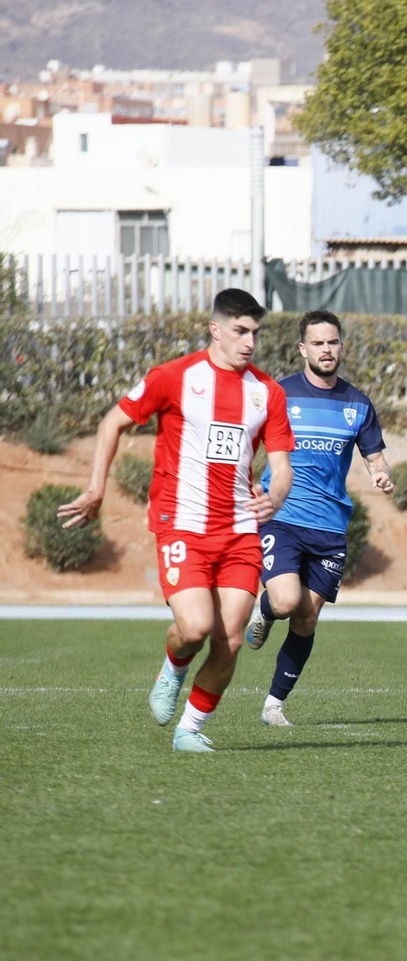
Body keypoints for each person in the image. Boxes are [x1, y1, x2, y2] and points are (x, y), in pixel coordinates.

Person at [57, 289, 294, 752]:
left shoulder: (268, 392)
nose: (249, 342)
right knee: (194, 628)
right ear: (216, 329)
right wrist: (96, 488)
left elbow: (281, 465)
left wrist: (277, 496)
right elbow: (113, 423)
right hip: (182, 523)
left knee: (230, 639)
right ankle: (174, 665)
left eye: (255, 334)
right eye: (240, 331)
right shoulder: (175, 377)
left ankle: (190, 729)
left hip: (241, 530)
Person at [245, 310, 393, 725]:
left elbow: (375, 456)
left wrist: (381, 474)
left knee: (307, 618)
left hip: (330, 527)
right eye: (319, 343)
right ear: (303, 348)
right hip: (284, 515)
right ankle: (268, 609)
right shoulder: (279, 394)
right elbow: (247, 439)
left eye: (333, 342)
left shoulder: (358, 404)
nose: (327, 350)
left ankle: (274, 705)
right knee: (287, 600)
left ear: (341, 346)